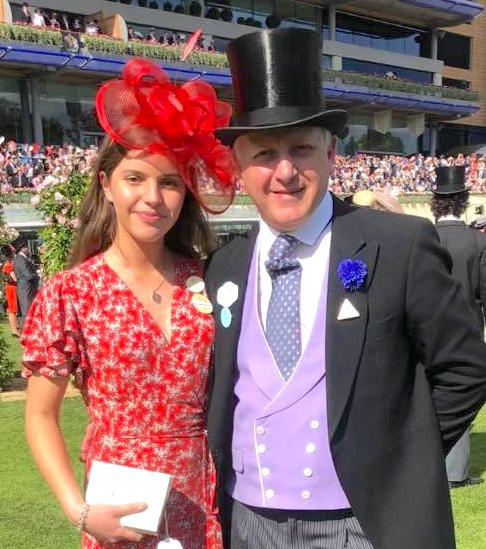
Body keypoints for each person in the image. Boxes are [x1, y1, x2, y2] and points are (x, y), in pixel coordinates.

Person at [204, 28, 486, 549]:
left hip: (360, 524)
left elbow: (464, 369)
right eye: (264, 153)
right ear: (239, 165)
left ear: (332, 153)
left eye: (301, 149)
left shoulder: (398, 243)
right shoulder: (224, 265)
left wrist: (400, 457)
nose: (284, 171)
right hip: (246, 521)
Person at [22, 58, 235, 549]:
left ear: (186, 195)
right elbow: (39, 416)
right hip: (118, 509)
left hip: (207, 497)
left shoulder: (210, 278)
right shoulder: (70, 293)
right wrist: (80, 512)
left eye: (170, 183)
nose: (153, 197)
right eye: (136, 178)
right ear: (107, 185)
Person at [431, 165, 486, 489]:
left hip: (426, 330)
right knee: (461, 392)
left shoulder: (423, 237)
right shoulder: (476, 243)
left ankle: (430, 465)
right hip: (465, 330)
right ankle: (455, 473)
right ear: (463, 201)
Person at [13, 236, 39, 328]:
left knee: (28, 312)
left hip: (26, 288)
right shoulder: (21, 259)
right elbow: (28, 275)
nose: (27, 248)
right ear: (22, 247)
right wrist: (38, 274)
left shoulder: (22, 258)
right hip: (26, 289)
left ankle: (28, 331)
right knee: (26, 313)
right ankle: (26, 332)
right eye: (26, 246)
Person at [1, 244, 20, 337]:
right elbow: (15, 278)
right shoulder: (9, 264)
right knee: (12, 310)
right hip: (12, 288)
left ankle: (15, 328)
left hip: (9, 287)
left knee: (11, 309)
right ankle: (14, 331)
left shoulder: (6, 263)